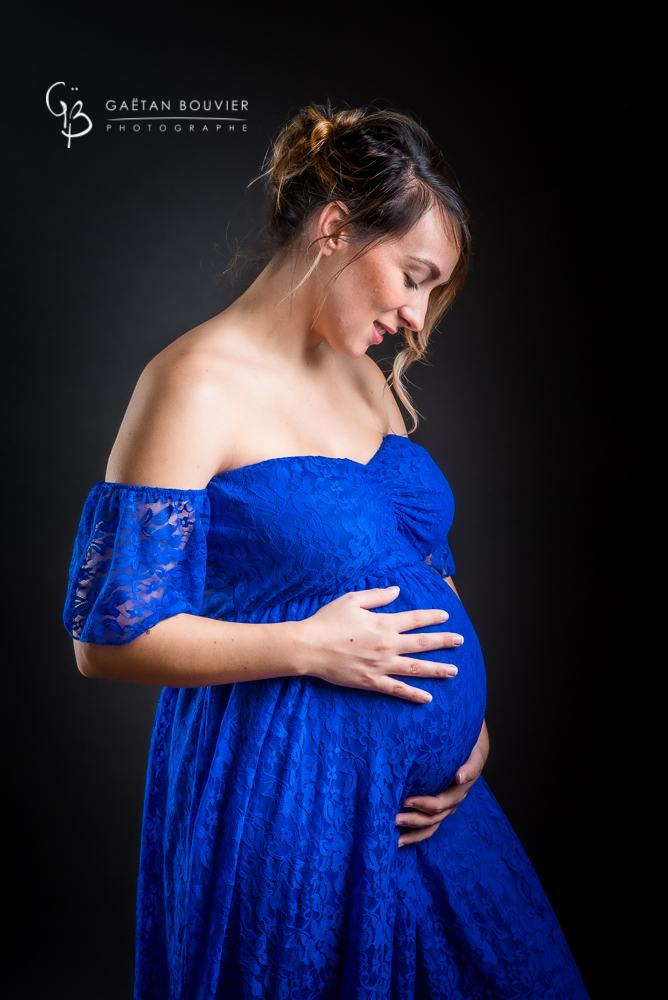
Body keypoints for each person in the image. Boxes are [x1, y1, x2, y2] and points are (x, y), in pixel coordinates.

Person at [64, 105, 589, 999]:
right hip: (291, 801)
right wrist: (308, 646)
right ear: (336, 226)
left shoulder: (359, 370)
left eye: (433, 291)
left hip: (430, 814)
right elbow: (108, 640)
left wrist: (474, 726)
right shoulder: (193, 384)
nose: (417, 318)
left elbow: (424, 566)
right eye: (413, 277)